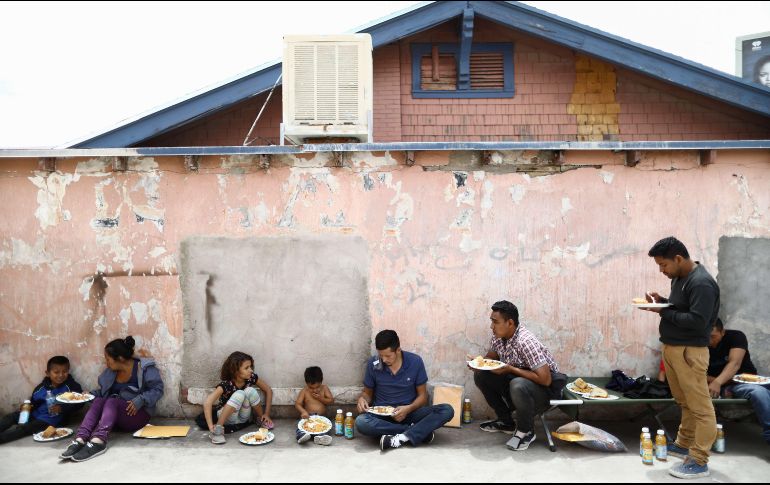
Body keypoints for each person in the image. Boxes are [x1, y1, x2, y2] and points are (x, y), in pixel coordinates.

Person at [644, 237, 719, 479]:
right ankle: (684, 443)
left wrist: (664, 312)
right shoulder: (680, 278)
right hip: (674, 349)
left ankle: (699, 460)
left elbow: (698, 322)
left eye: (663, 265)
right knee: (684, 401)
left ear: (678, 258)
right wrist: (664, 303)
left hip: (690, 352)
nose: (661, 270)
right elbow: (681, 308)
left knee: (701, 408)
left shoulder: (702, 284)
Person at [470, 300, 566, 452]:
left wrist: (510, 369)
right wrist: (478, 363)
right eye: (491, 321)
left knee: (518, 384)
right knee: (482, 376)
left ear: (510, 322)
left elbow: (545, 380)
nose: (491, 326)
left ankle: (525, 431)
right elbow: (491, 358)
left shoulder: (525, 341)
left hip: (545, 391)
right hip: (519, 386)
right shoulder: (498, 337)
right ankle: (506, 422)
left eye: (495, 322)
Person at [59, 336, 164, 462]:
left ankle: (98, 441)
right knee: (99, 400)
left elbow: (158, 389)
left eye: (108, 359)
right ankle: (80, 439)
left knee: (112, 401)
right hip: (113, 417)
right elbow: (103, 393)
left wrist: (141, 399)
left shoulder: (145, 368)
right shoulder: (111, 372)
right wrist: (88, 395)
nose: (106, 363)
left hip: (137, 414)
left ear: (119, 358)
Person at [355, 329, 454, 452]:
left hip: (410, 413)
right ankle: (416, 432)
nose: (384, 360)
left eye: (388, 356)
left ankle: (401, 436)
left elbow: (423, 396)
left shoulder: (415, 362)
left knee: (447, 410)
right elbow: (367, 393)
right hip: (382, 416)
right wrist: (362, 399)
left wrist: (408, 409)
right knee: (361, 422)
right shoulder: (373, 363)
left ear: (398, 350)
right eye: (381, 355)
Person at [707, 318, 769, 445]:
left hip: (750, 379)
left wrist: (718, 381)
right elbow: (698, 375)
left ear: (722, 332)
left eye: (713, 337)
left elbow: (735, 363)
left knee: (759, 389)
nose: (709, 341)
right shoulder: (699, 343)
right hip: (731, 386)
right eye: (705, 337)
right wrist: (721, 382)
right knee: (758, 393)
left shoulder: (736, 336)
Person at [0, 356, 84, 444]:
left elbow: (79, 404)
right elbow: (34, 402)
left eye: (65, 371)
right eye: (56, 372)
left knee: (25, 429)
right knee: (11, 417)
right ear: (48, 373)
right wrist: (28, 407)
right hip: (35, 414)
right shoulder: (41, 387)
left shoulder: (72, 387)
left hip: (51, 420)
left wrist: (62, 409)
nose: (61, 375)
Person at [196, 351, 274, 444]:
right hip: (227, 418)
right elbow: (208, 402)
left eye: (251, 367)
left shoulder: (251, 378)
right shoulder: (226, 384)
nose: (251, 370)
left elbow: (268, 390)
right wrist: (210, 426)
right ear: (235, 371)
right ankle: (218, 431)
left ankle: (261, 419)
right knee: (240, 393)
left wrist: (266, 414)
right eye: (246, 368)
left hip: (243, 417)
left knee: (250, 391)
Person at [294, 366, 334, 445]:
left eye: (317, 387)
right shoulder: (304, 391)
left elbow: (331, 401)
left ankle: (320, 438)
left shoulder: (324, 388)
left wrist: (321, 398)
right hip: (308, 417)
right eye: (311, 388)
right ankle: (302, 436)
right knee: (300, 428)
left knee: (326, 429)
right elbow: (297, 404)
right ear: (307, 383)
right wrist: (303, 412)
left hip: (322, 419)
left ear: (321, 382)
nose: (315, 390)